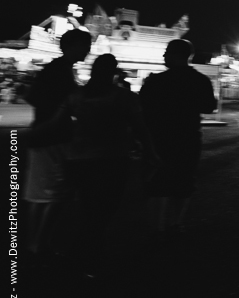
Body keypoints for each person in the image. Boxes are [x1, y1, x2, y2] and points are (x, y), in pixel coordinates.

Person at [36, 54, 158, 275]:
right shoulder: (124, 97)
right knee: (104, 210)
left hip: (79, 160)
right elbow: (141, 128)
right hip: (112, 160)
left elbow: (56, 123)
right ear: (113, 72)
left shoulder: (76, 95)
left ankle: (84, 254)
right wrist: (151, 152)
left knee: (87, 207)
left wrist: (31, 135)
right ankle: (88, 255)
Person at [23, 28, 92, 258]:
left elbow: (31, 97)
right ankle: (40, 245)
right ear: (72, 46)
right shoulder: (61, 71)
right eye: (85, 46)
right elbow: (71, 106)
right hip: (54, 138)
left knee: (39, 193)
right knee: (55, 194)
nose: (88, 50)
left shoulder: (54, 69)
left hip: (42, 135)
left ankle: (36, 243)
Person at [139, 39, 218, 235]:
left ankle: (155, 228)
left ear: (175, 54)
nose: (164, 56)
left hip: (159, 139)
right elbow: (209, 106)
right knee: (183, 182)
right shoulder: (200, 80)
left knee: (157, 184)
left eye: (167, 52)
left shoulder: (156, 81)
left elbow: (142, 109)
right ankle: (176, 223)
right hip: (188, 138)